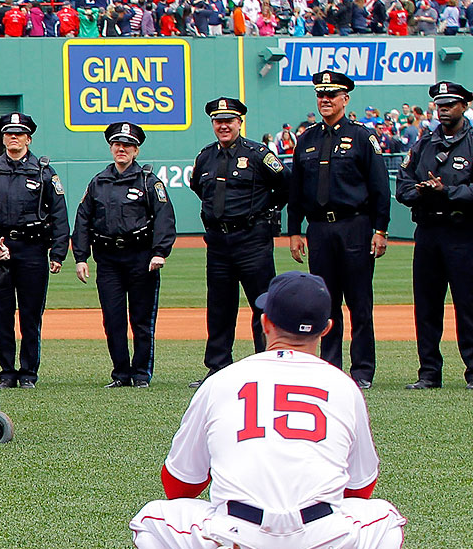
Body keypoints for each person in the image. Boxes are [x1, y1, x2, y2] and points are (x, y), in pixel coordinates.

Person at [130, 272, 403, 549]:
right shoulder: (344, 386)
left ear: (265, 322)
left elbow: (179, 485)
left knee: (151, 520)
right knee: (385, 518)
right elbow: (361, 489)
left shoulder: (221, 382)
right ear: (328, 330)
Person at [288, 70, 392, 388]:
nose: (325, 100)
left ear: (345, 99)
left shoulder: (361, 137)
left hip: (355, 226)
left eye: (332, 95)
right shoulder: (306, 140)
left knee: (359, 301)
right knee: (326, 302)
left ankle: (362, 370)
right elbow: (296, 191)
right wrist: (294, 231)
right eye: (321, 95)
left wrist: (381, 229)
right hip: (319, 229)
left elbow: (379, 187)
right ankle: (330, 367)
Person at [0, 112, 69, 387]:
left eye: (19, 133)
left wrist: (58, 253)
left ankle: (29, 373)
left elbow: (59, 213)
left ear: (28, 138)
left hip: (32, 249)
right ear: (3, 138)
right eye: (9, 133)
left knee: (31, 313)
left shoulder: (44, 172)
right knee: (0, 313)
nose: (14, 137)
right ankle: (7, 372)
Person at [189, 96, 288, 375]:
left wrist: (264, 211)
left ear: (239, 123)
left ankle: (266, 365)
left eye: (229, 121)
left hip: (252, 239)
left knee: (263, 305)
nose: (223, 126)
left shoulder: (258, 154)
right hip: (219, 242)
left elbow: (285, 185)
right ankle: (217, 368)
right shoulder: (205, 156)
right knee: (219, 307)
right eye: (218, 121)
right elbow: (200, 188)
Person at [72, 123, 177, 387]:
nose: (121, 149)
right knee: (113, 319)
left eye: (127, 145)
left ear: (136, 151)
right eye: (117, 144)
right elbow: (83, 219)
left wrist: (159, 252)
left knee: (141, 320)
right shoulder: (99, 182)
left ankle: (141, 374)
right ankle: (120, 373)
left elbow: (165, 218)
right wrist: (81, 257)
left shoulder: (148, 182)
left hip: (141, 258)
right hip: (108, 260)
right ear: (111, 148)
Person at [396, 79, 473, 388]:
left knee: (468, 305)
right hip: (428, 230)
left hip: (462, 231)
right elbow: (402, 185)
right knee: (426, 305)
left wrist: (448, 191)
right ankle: (429, 373)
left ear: (464, 106)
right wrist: (420, 190)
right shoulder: (424, 143)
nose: (443, 110)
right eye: (439, 105)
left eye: (450, 104)